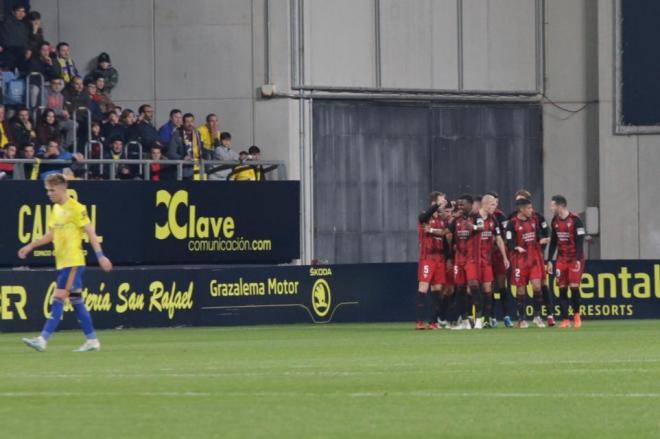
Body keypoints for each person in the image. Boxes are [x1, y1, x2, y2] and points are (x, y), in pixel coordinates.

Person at [19, 173, 112, 352]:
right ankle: (92, 340)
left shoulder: (76, 208)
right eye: (47, 190)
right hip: (63, 263)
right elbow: (51, 234)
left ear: (62, 190)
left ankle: (43, 339)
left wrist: (100, 255)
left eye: (52, 190)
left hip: (73, 262)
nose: (49, 193)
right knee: (76, 300)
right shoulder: (56, 209)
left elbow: (91, 232)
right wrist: (30, 246)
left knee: (58, 298)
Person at [510, 190, 555, 326]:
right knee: (522, 288)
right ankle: (522, 318)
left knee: (541, 285)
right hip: (521, 259)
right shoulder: (512, 219)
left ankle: (547, 314)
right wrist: (515, 248)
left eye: (521, 200)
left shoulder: (538, 218)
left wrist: (540, 249)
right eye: (517, 201)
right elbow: (509, 239)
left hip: (536, 257)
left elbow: (545, 234)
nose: (518, 203)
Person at [467, 194, 509, 329]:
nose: (494, 207)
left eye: (495, 205)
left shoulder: (494, 220)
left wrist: (505, 257)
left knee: (487, 288)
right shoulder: (473, 216)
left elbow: (498, 238)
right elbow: (465, 229)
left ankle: (485, 319)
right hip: (472, 258)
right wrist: (473, 228)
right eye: (492, 205)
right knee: (473, 285)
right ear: (485, 204)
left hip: (486, 259)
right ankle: (477, 317)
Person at [547, 195, 586, 328]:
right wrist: (550, 260)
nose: (550, 208)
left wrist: (577, 259)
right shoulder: (554, 221)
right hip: (561, 259)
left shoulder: (576, 220)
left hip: (575, 258)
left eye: (552, 205)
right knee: (562, 288)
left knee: (574, 287)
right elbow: (553, 242)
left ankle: (576, 316)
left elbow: (580, 242)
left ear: (560, 206)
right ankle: (565, 319)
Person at [415, 192, 449, 330]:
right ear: (435, 202)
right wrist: (436, 206)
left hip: (439, 259)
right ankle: (419, 321)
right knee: (423, 288)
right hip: (427, 258)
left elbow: (445, 239)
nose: (445, 201)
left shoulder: (442, 220)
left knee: (437, 290)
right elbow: (423, 217)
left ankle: (433, 321)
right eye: (442, 199)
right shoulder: (425, 216)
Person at [446, 194, 477, 330]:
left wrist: (472, 226)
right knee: (460, 289)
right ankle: (464, 320)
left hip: (472, 259)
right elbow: (446, 232)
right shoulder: (456, 221)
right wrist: (431, 230)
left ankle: (479, 318)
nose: (460, 207)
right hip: (459, 259)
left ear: (470, 205)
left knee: (473, 287)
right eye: (459, 205)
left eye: (462, 204)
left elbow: (481, 229)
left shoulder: (477, 217)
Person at [486, 191, 514, 328]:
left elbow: (506, 237)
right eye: (492, 202)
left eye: (496, 202)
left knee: (502, 285)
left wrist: (501, 249)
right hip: (486, 256)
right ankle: (491, 317)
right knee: (489, 287)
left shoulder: (500, 216)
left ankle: (506, 316)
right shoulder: (481, 217)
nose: (494, 205)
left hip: (498, 255)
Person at [167, 112, 209, 180]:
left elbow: (201, 149)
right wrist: (182, 158)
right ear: (183, 123)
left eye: (192, 121)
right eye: (187, 122)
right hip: (184, 168)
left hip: (198, 166)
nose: (190, 124)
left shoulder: (197, 134)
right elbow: (171, 153)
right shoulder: (176, 135)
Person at [0, 5, 30, 72]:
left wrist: (27, 49)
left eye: (23, 11)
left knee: (24, 69)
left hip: (21, 52)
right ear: (13, 12)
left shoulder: (23, 26)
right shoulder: (5, 23)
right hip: (8, 51)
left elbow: (25, 39)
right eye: (19, 11)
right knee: (8, 70)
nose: (21, 13)